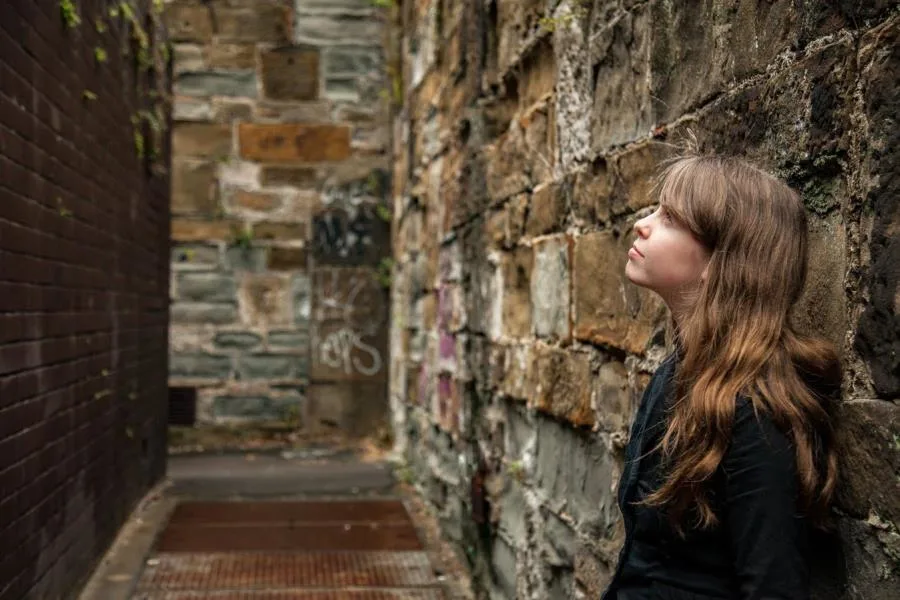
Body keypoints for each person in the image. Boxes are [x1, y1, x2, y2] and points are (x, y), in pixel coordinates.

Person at [601, 150, 841, 600]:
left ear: (720, 261)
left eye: (670, 218)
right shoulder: (679, 371)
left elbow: (774, 587)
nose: (643, 224)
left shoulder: (754, 416)